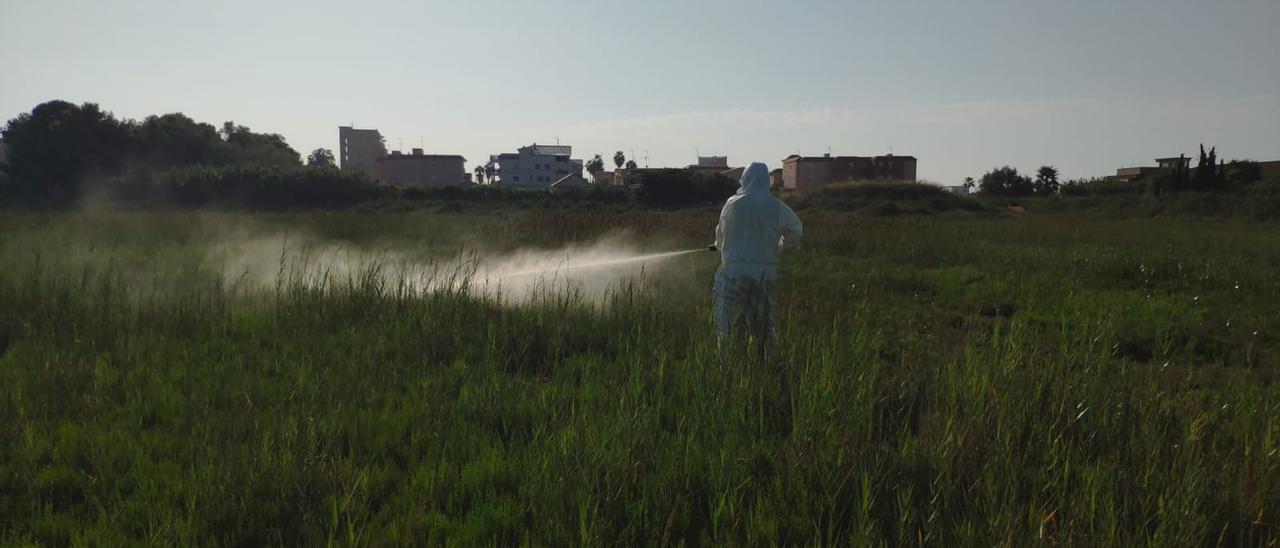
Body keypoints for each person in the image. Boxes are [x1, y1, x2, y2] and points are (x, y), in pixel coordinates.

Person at [712, 162, 802, 358]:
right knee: (764, 324)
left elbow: (720, 234)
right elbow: (796, 231)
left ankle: (728, 364)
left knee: (728, 322)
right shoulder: (777, 206)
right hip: (764, 274)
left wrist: (720, 246)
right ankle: (767, 363)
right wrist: (778, 248)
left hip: (732, 274)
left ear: (745, 179)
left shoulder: (732, 204)